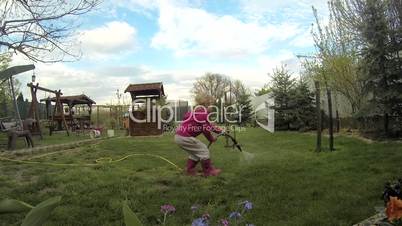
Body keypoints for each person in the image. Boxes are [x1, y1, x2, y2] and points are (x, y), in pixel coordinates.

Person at [175, 94, 223, 177]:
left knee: (196, 153)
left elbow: (208, 126)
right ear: (207, 105)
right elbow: (205, 129)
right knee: (204, 151)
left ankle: (189, 170)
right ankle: (209, 172)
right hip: (185, 137)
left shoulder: (196, 112)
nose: (213, 108)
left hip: (179, 136)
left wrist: (219, 131)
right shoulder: (203, 114)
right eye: (212, 105)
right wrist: (211, 139)